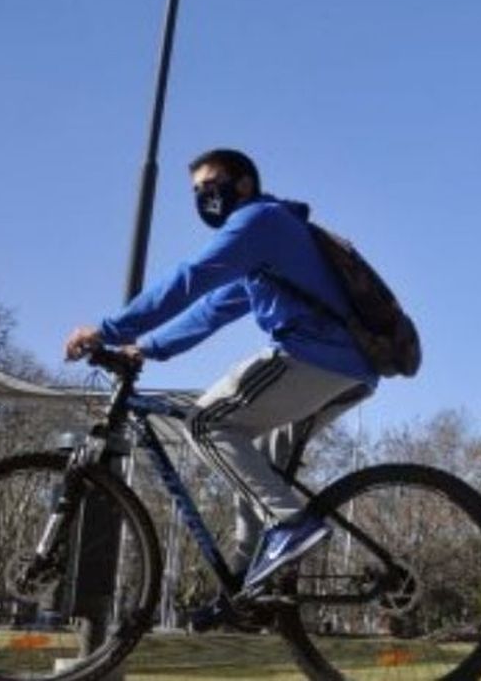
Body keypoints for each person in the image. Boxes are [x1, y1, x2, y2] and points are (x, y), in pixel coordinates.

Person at [65, 148, 377, 611]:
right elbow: (214, 309)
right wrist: (147, 347)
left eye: (210, 186)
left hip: (314, 356)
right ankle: (250, 583)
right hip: (346, 368)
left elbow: (190, 279)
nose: (203, 197)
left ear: (244, 183)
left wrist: (109, 330)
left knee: (206, 424)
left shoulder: (258, 222)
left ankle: (291, 527)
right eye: (195, 192)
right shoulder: (269, 243)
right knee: (257, 466)